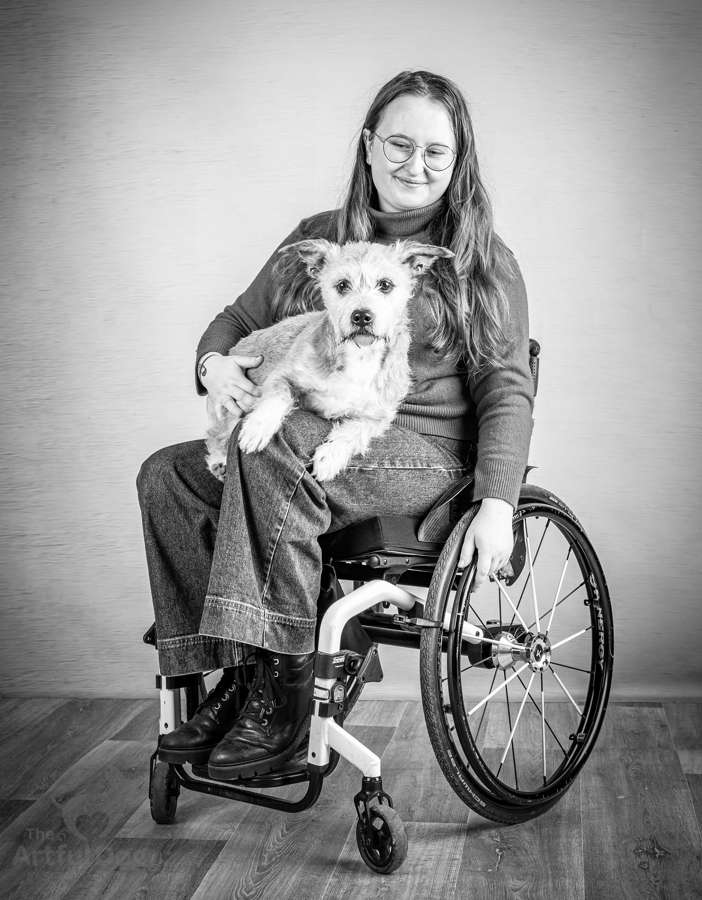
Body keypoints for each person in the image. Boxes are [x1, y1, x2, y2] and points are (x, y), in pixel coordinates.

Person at [136, 69, 534, 782]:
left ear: (458, 160)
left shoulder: (482, 263)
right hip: (310, 426)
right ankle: (238, 674)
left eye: (436, 152)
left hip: (422, 454)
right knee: (168, 475)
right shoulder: (319, 239)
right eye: (400, 144)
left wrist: (499, 500)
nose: (416, 164)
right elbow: (236, 322)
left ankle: (285, 704)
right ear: (370, 145)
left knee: (275, 444)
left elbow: (507, 386)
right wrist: (214, 366)